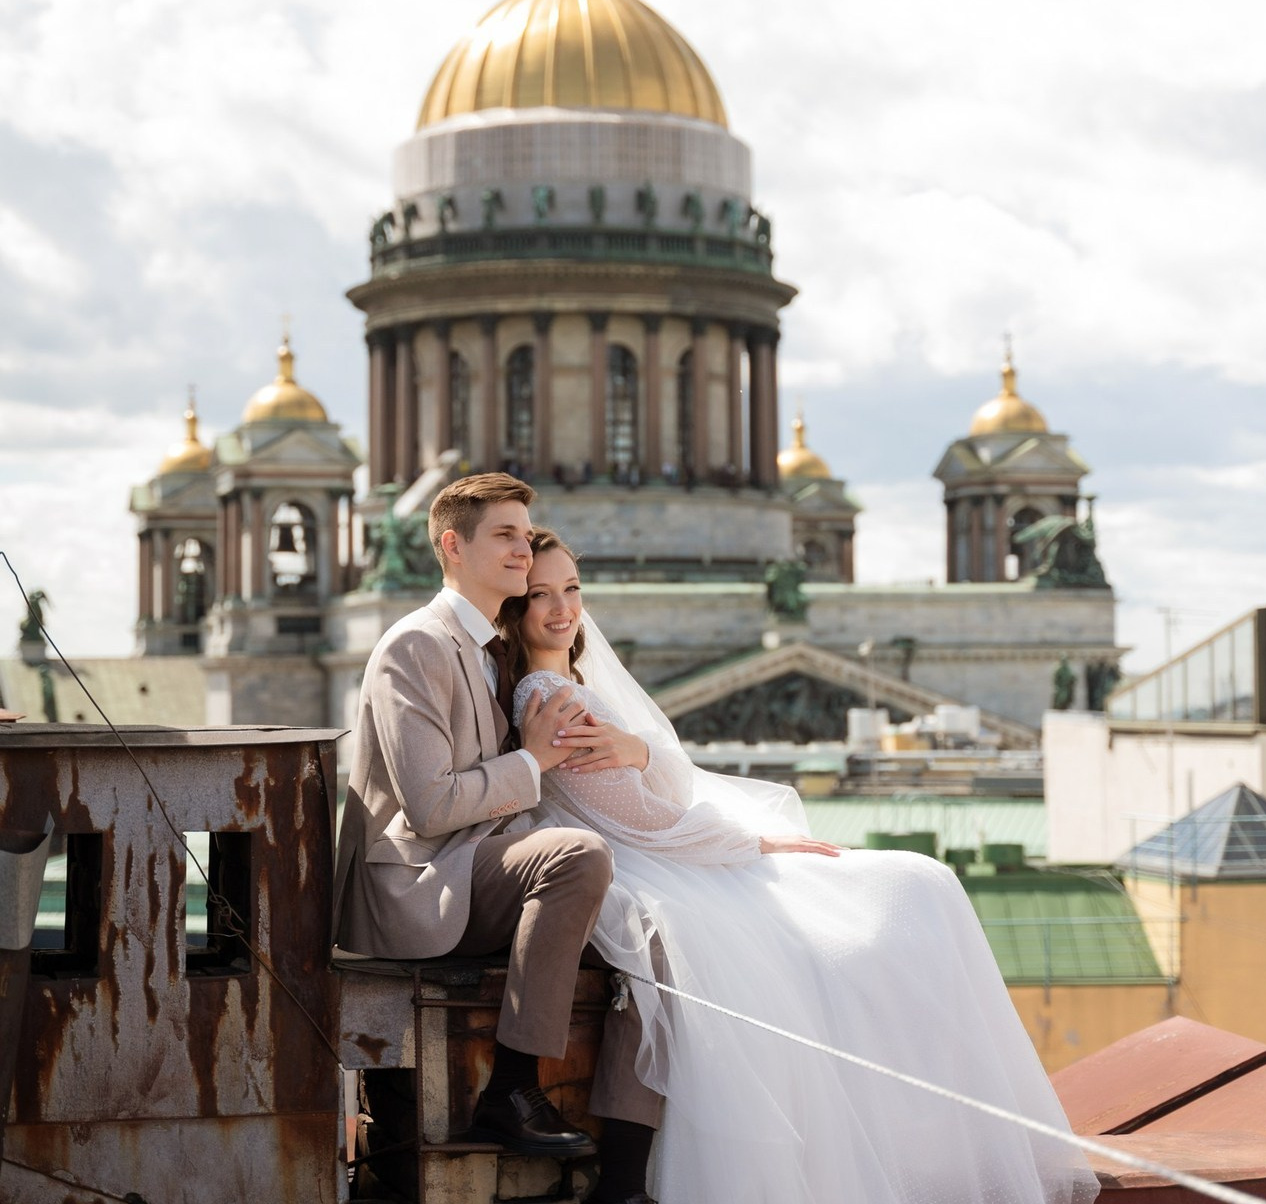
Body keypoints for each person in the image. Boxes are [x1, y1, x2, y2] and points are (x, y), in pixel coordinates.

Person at [498, 530, 1102, 1204]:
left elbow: (667, 777)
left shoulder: (575, 684)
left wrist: (640, 752)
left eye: (572, 590)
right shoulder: (548, 697)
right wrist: (755, 845)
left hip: (670, 854)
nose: (562, 609)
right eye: (540, 595)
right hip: (654, 864)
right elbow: (642, 816)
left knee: (909, 889)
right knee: (908, 891)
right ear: (512, 608)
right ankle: (919, 1143)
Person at [332, 474, 660, 1204]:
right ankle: (512, 1090)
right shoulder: (415, 645)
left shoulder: (491, 651)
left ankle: (625, 1177)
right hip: (418, 880)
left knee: (648, 926)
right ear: (453, 546)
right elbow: (429, 805)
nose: (522, 549)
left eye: (525, 533)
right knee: (577, 857)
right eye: (504, 535)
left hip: (473, 868)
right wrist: (536, 761)